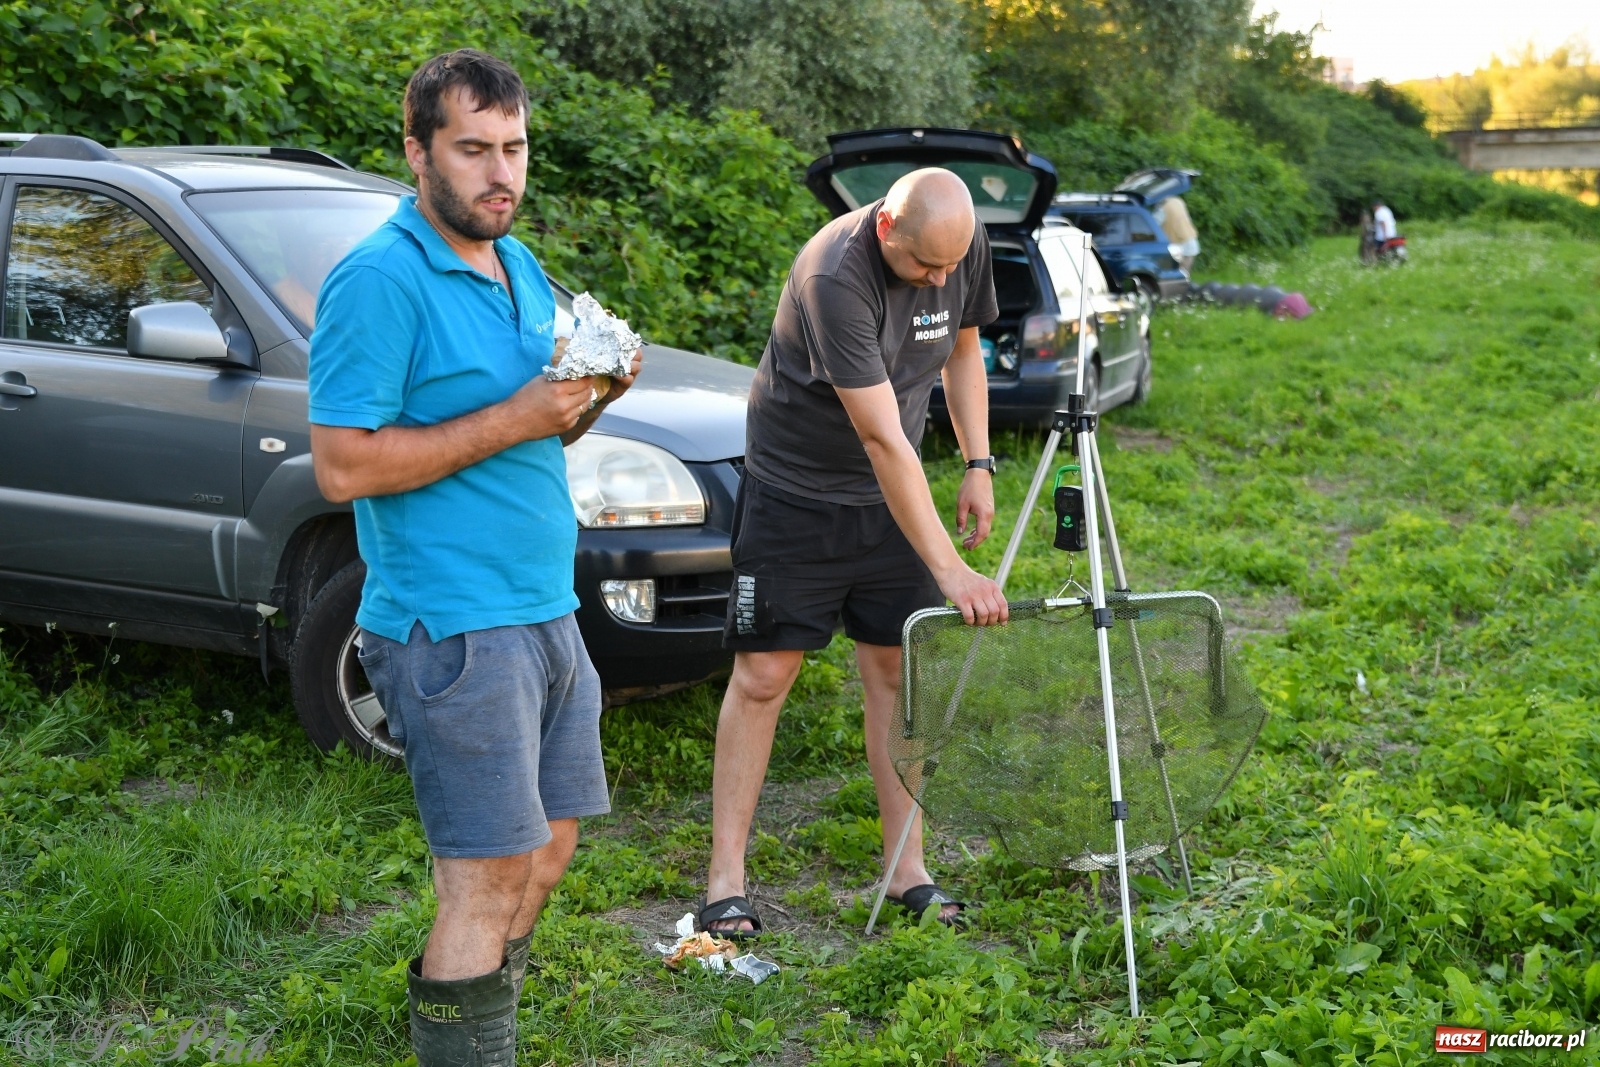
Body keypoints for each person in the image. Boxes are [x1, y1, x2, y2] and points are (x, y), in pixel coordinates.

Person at [306, 49, 640, 1067]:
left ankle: (476, 1009)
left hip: (544, 605)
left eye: (515, 148)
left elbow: (540, 428)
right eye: (473, 150)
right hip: (450, 624)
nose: (501, 172)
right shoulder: (378, 281)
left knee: (547, 848)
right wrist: (517, 416)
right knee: (483, 877)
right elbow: (340, 466)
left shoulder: (518, 264)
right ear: (417, 152)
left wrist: (591, 399)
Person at [699, 168, 1009, 938]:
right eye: (925, 267)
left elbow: (962, 351)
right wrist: (949, 568)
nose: (941, 280)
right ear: (884, 230)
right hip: (796, 494)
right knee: (765, 674)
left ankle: (909, 868)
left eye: (951, 264)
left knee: (896, 666)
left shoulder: (956, 243)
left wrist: (978, 462)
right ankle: (724, 882)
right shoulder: (835, 272)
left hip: (886, 496)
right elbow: (879, 436)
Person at [1156, 195, 1200, 274]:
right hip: (1191, 241)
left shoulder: (1162, 209)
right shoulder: (1178, 201)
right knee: (1184, 273)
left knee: (1175, 275)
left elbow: (1153, 225)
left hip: (1177, 246)